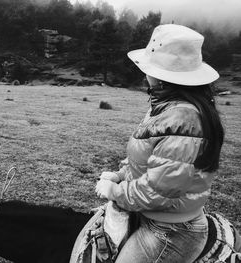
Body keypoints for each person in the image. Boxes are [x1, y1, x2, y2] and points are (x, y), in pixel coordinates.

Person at [95, 24, 224, 263]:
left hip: (170, 232)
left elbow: (159, 193)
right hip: (155, 216)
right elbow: (150, 162)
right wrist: (121, 174)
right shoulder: (167, 108)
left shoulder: (184, 122)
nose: (145, 74)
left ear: (163, 77)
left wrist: (115, 191)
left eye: (148, 68)